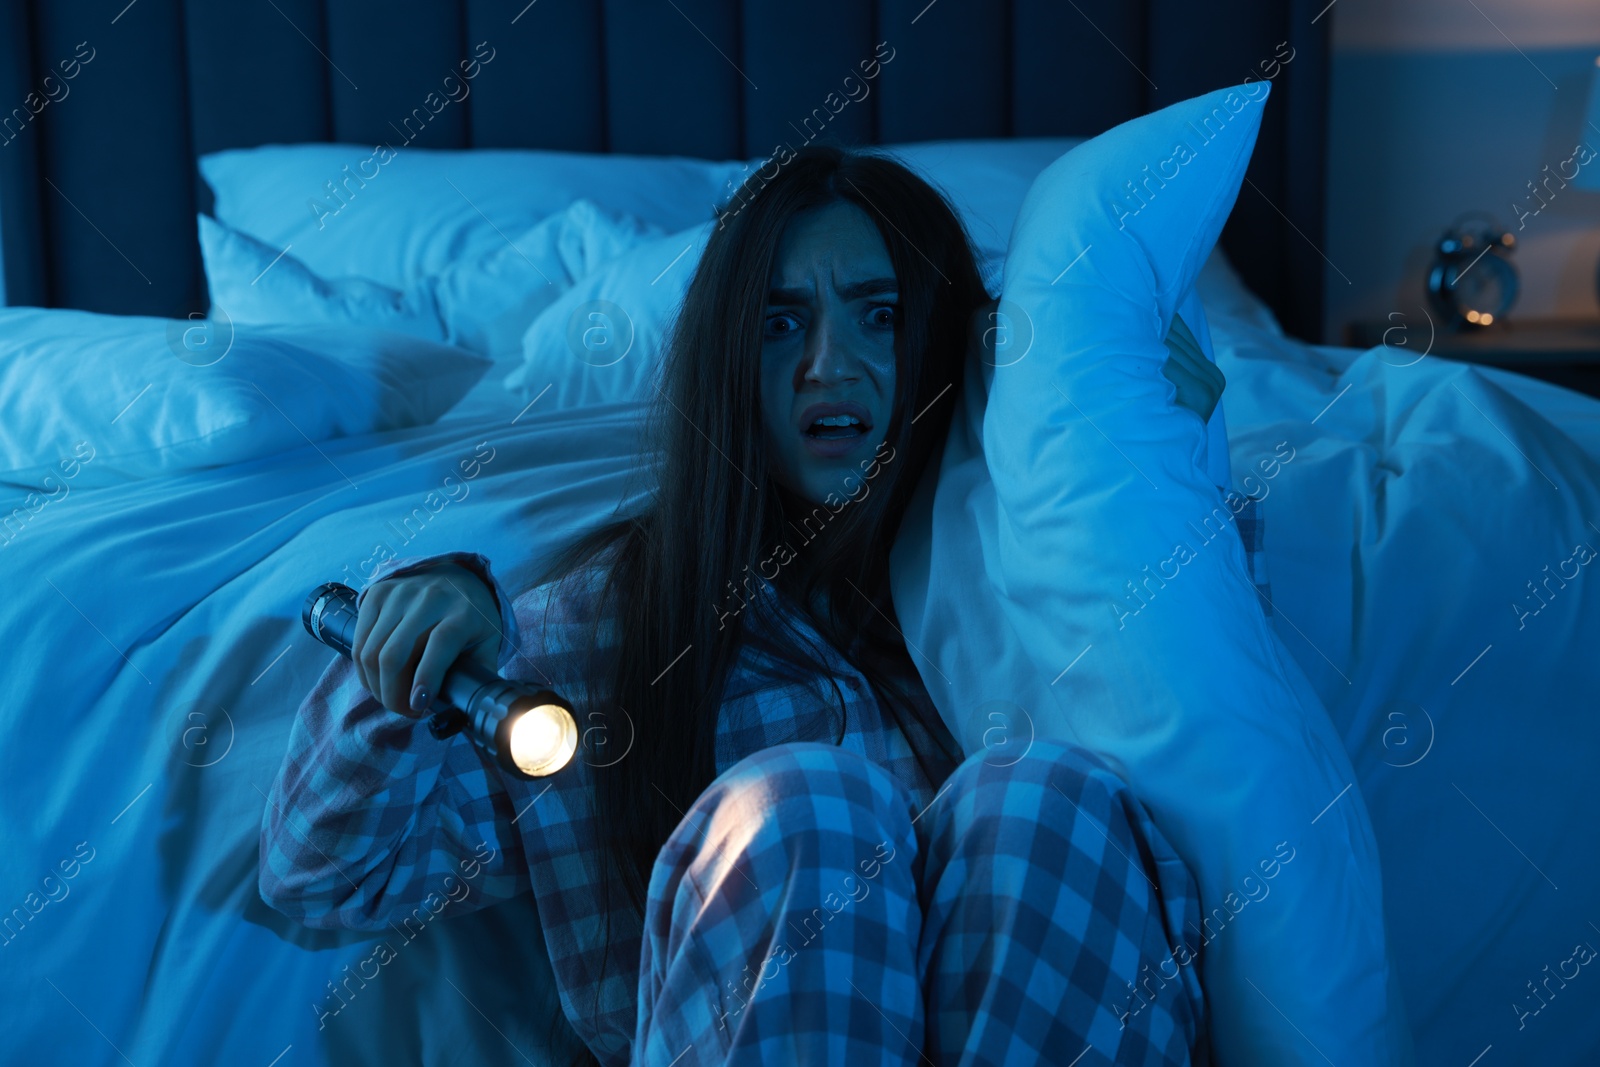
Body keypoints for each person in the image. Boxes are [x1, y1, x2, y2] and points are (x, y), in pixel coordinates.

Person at [260, 145, 1224, 1066]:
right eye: (780, 322)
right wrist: (399, 654)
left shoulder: (1037, 584)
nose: (829, 366)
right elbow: (327, 876)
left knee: (1041, 801)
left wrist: (1166, 462)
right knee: (804, 807)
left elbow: (1216, 752)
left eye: (881, 315)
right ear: (730, 362)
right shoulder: (600, 636)